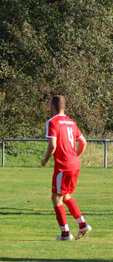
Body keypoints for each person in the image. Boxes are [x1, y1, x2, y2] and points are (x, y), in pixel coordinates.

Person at [41, 95, 91, 241]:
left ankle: (65, 234)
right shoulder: (71, 122)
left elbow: (53, 145)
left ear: (53, 106)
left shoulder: (52, 122)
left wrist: (45, 159)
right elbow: (83, 142)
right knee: (66, 195)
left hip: (63, 165)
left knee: (56, 198)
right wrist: (75, 156)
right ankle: (82, 225)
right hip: (74, 164)